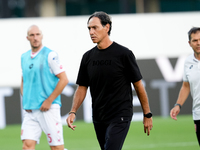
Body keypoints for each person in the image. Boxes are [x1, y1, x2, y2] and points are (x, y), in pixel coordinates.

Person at [66, 11, 153, 150]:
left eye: (95, 27)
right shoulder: (87, 57)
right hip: (99, 116)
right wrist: (73, 111)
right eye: (89, 28)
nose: (91, 32)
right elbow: (82, 87)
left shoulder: (124, 54)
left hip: (120, 115)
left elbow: (138, 85)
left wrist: (147, 114)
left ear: (107, 27)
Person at [20, 25, 68, 150]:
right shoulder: (24, 57)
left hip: (48, 109)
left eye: (37, 34)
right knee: (27, 146)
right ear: (27, 38)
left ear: (42, 36)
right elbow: (23, 79)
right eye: (32, 35)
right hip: (30, 110)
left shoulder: (50, 55)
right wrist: (26, 100)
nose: (35, 38)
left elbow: (64, 79)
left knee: (56, 148)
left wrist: (49, 100)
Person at [170, 27, 200, 146]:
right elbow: (186, 86)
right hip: (198, 114)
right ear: (189, 43)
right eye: (195, 40)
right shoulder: (188, 62)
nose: (198, 43)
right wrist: (178, 105)